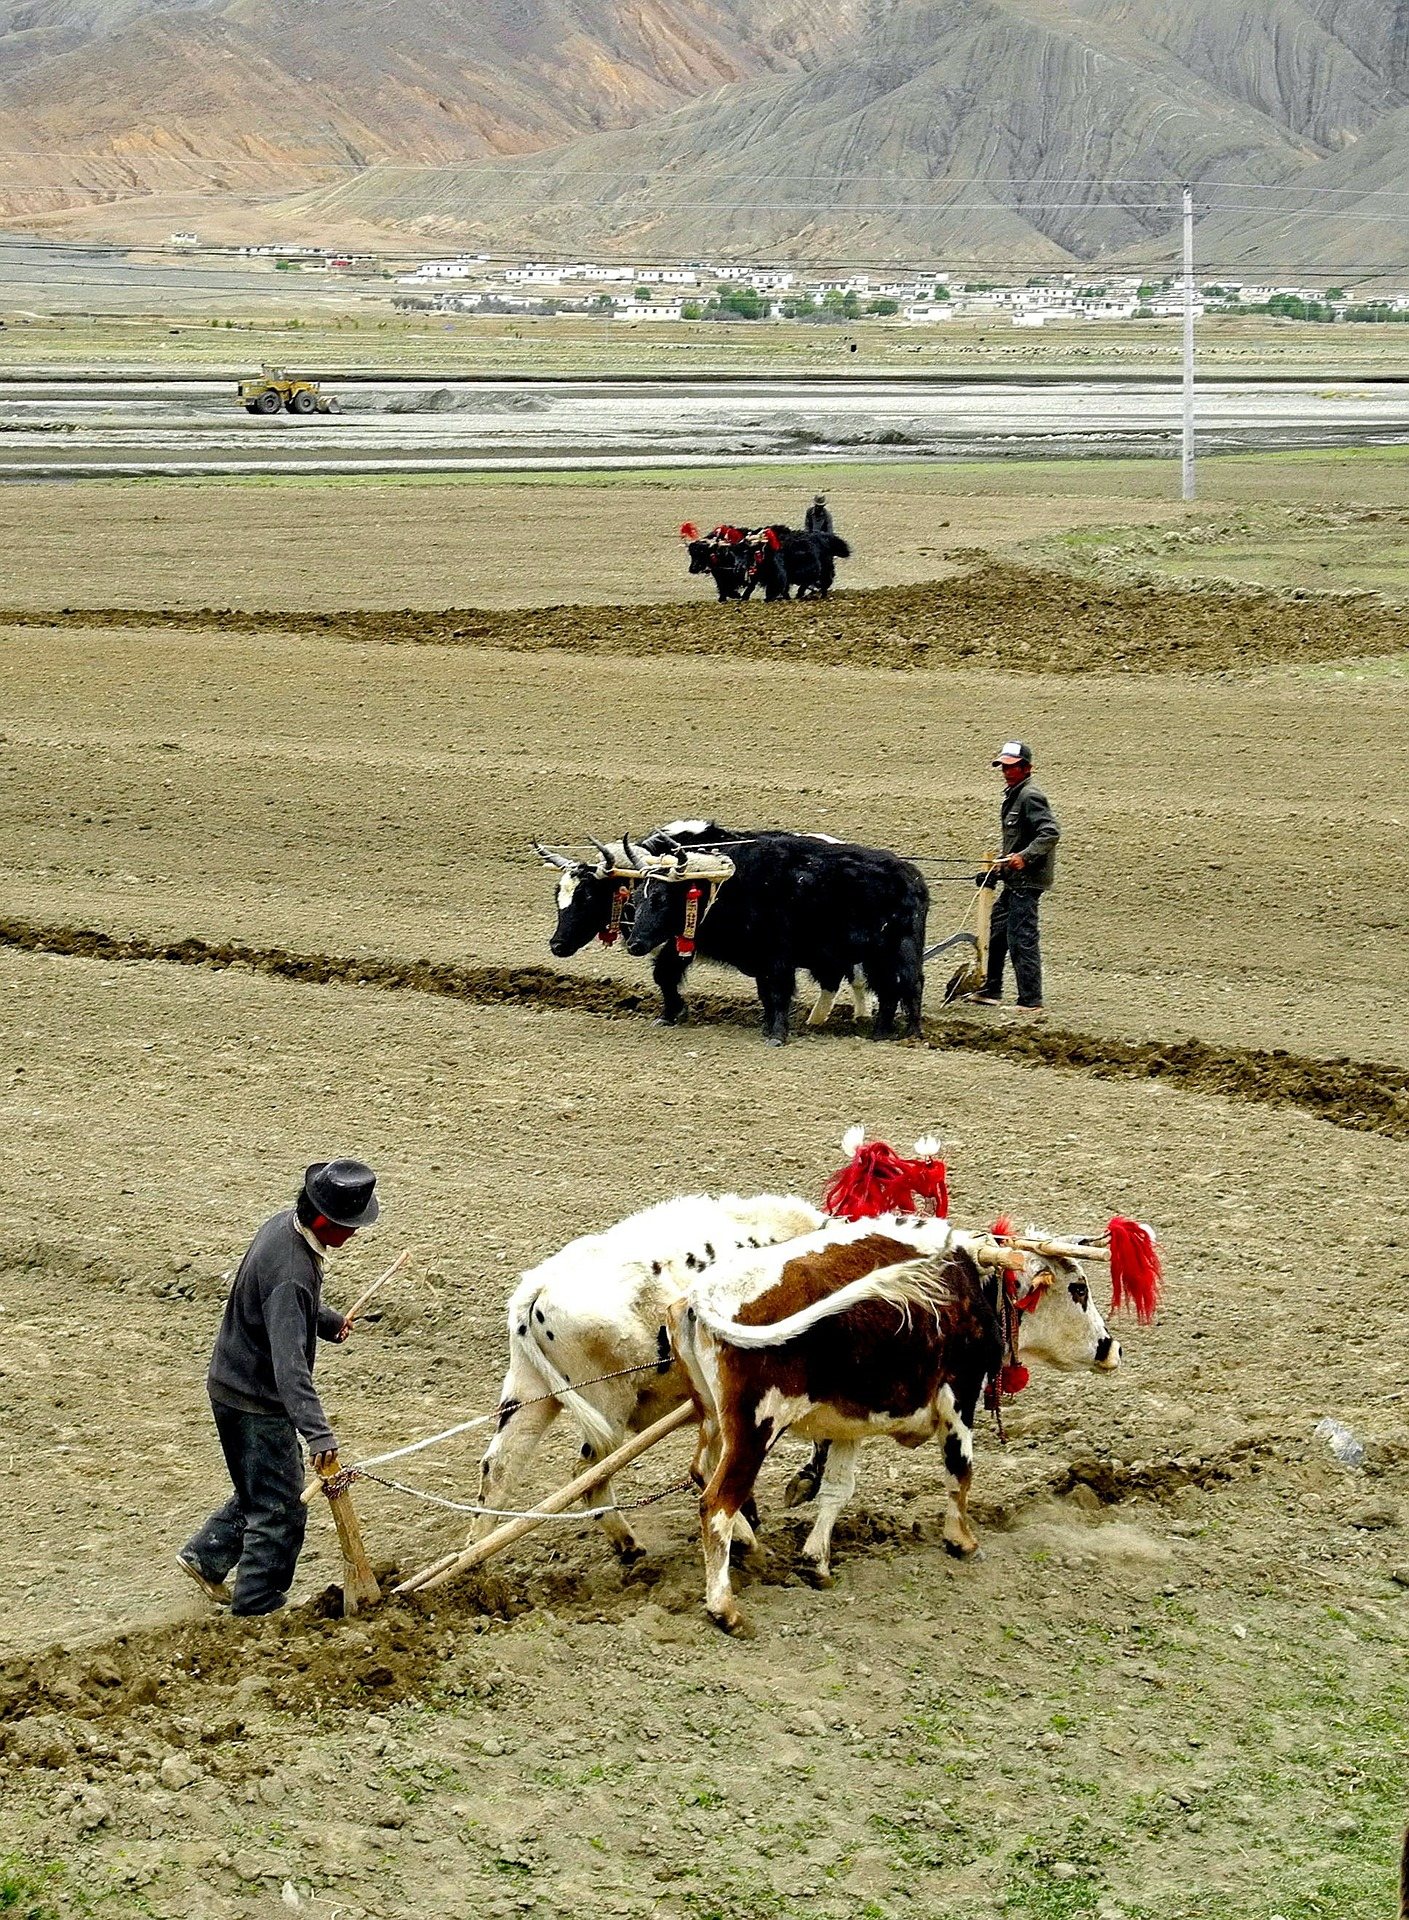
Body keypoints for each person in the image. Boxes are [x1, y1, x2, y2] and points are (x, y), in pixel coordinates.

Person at [178, 1158, 379, 1616]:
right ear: (326, 1221)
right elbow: (291, 1370)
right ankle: (257, 1604)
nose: (353, 1235)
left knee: (262, 1485)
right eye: (350, 1227)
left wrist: (325, 1321)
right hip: (256, 1400)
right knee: (281, 1508)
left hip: (230, 1383)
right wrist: (319, 1434)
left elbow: (278, 1301)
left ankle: (205, 1557)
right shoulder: (293, 1273)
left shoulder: (283, 1228)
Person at [975, 741, 1059, 1013]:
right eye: (1003, 766)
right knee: (996, 933)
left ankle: (1030, 1001)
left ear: (1027, 768)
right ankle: (991, 990)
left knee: (1021, 938)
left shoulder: (1030, 796)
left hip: (1027, 881)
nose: (1006, 771)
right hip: (1014, 881)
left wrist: (1025, 857)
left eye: (1012, 767)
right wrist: (997, 869)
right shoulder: (1013, 795)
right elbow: (1015, 842)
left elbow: (1049, 833)